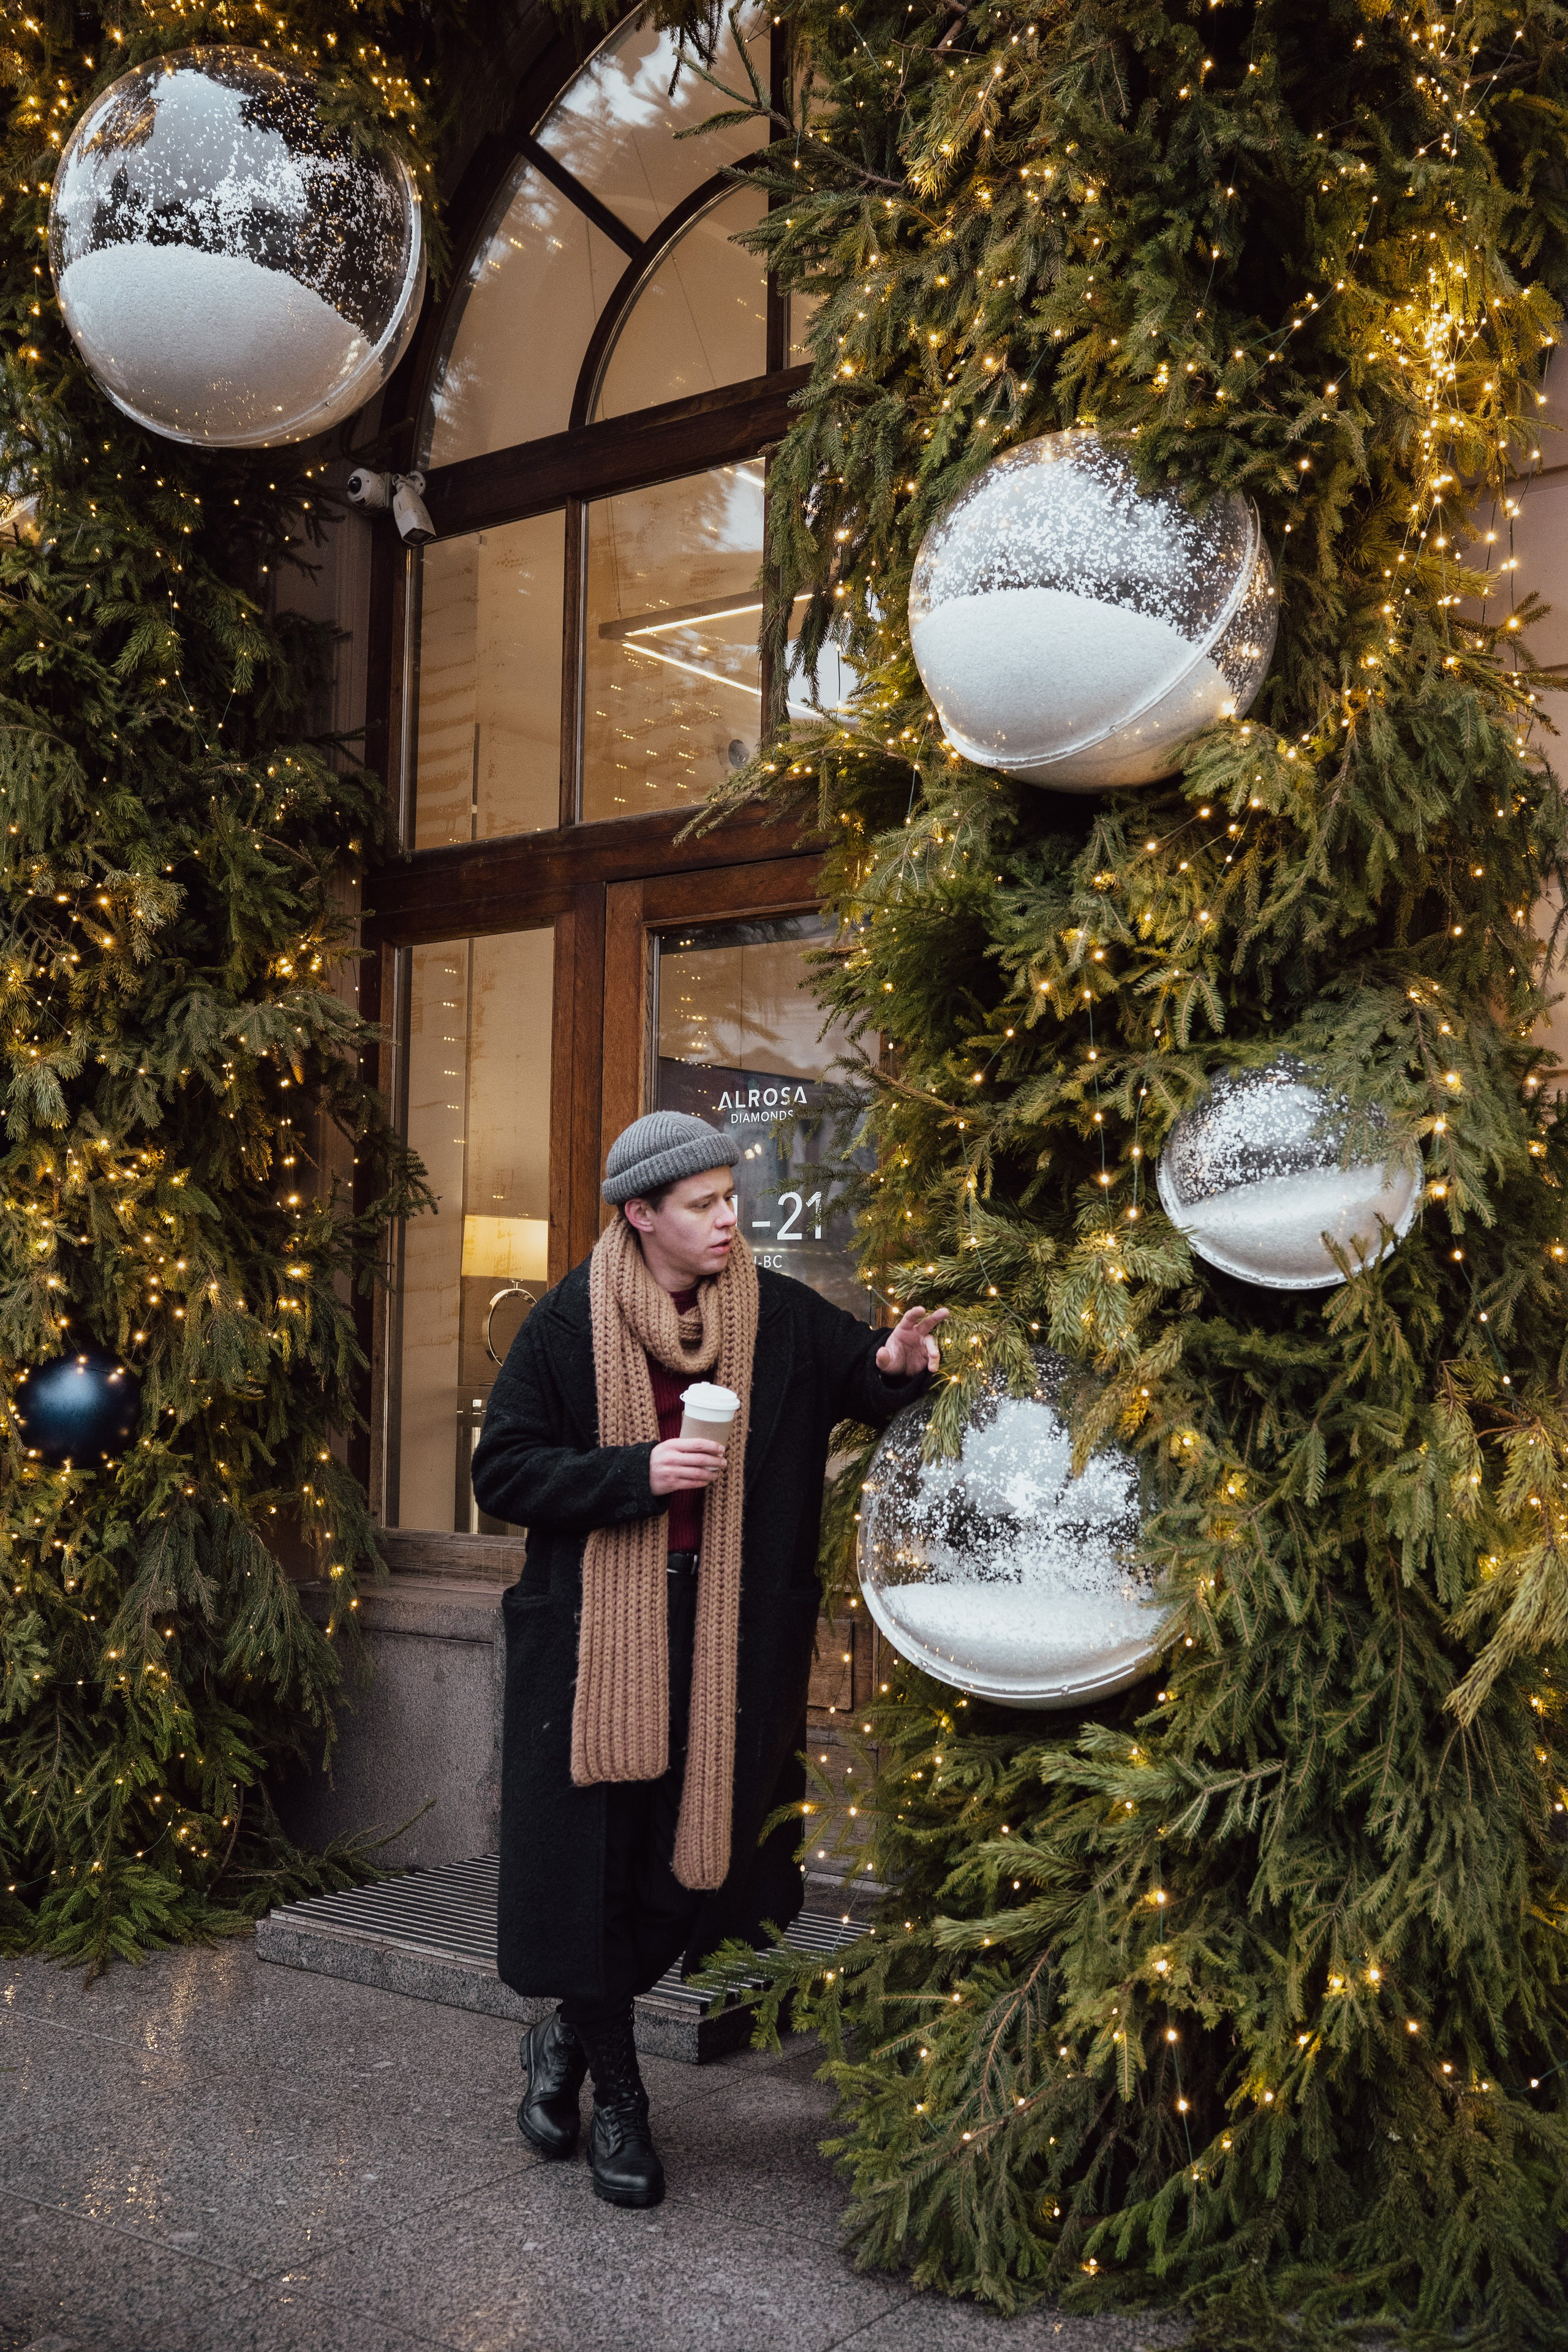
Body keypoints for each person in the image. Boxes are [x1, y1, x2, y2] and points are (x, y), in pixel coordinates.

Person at [470, 1109, 946, 2209]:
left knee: (700, 1868)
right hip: (598, 1646)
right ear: (643, 1217)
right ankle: (622, 2100)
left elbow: (860, 1381)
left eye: (732, 1196)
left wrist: (898, 1363)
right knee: (597, 1867)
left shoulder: (772, 1313)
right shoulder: (565, 1324)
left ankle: (563, 2043)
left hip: (734, 1644)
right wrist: (639, 1473)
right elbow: (507, 1473)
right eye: (706, 1204)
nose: (733, 1217)